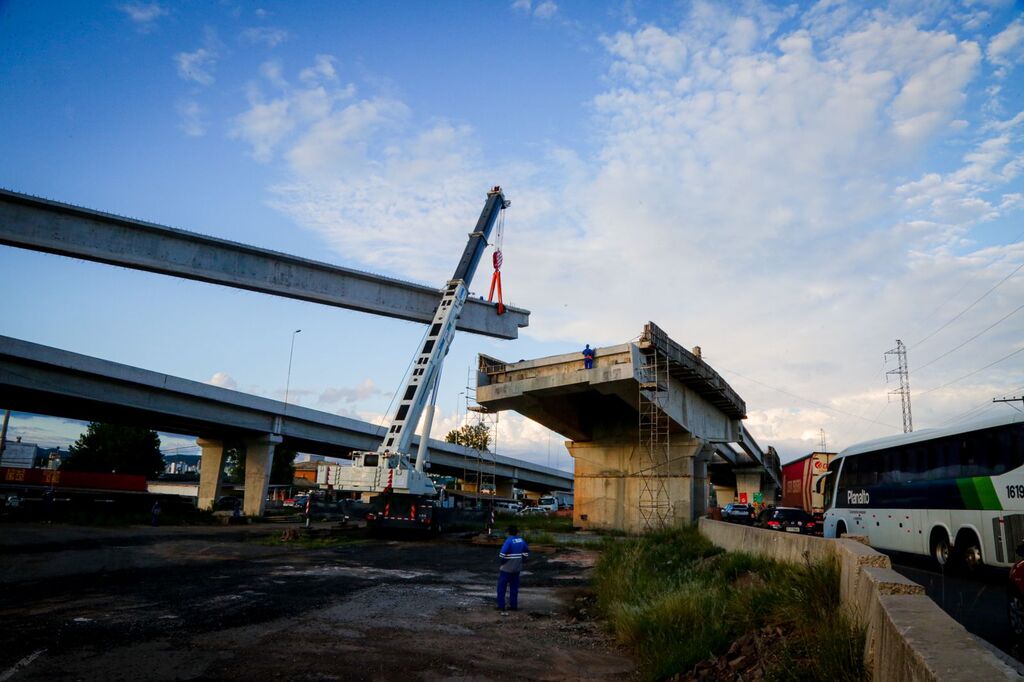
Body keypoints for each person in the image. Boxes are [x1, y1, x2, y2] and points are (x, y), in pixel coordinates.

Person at [497, 525, 529, 612]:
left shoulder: (509, 541)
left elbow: (502, 555)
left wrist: (503, 562)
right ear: (517, 532)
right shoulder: (521, 540)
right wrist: (521, 560)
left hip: (506, 568)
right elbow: (526, 551)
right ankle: (514, 606)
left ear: (508, 532)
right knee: (514, 588)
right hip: (517, 568)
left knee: (501, 588)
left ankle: (501, 606)